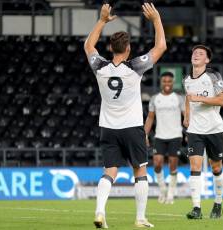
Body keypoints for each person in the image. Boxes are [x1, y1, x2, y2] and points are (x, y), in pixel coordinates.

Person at [83, 3, 166, 228]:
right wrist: (157, 19)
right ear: (128, 49)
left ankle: (100, 212)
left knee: (109, 172)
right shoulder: (135, 67)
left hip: (108, 128)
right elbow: (160, 47)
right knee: (140, 171)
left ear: (110, 48)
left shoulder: (99, 67)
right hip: (132, 127)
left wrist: (102, 20)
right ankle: (140, 218)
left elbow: (89, 45)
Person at [182, 45, 223, 219]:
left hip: (214, 128)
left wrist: (200, 98)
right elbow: (188, 96)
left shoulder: (213, 76)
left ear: (207, 60)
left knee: (216, 168)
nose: (196, 55)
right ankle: (196, 208)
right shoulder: (187, 79)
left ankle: (218, 203)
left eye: (201, 54)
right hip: (195, 130)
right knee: (195, 167)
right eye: (194, 53)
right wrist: (187, 115)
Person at [144, 72, 185, 204]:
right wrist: (145, 134)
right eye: (164, 81)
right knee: (157, 163)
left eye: (169, 81)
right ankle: (163, 190)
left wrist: (190, 132)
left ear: (173, 83)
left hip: (175, 135)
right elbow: (150, 117)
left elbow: (186, 116)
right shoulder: (155, 98)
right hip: (160, 135)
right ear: (161, 82)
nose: (167, 84)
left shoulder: (179, 98)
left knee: (173, 164)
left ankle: (171, 194)